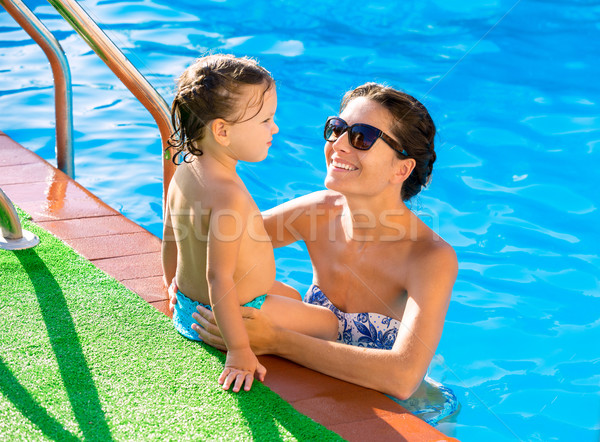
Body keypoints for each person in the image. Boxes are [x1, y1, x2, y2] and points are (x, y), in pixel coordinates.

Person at [171, 81, 457, 407]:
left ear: (402, 168)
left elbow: (403, 378)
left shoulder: (430, 256)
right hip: (315, 388)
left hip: (402, 412)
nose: (339, 144)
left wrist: (276, 340)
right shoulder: (318, 212)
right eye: (337, 129)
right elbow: (220, 241)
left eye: (361, 137)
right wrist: (187, 282)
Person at [161, 54, 338, 393]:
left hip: (189, 309)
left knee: (294, 295)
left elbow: (172, 239)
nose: (275, 128)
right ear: (222, 131)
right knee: (328, 324)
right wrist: (239, 350)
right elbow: (219, 277)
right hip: (234, 317)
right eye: (266, 120)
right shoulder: (228, 196)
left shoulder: (185, 170)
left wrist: (173, 288)